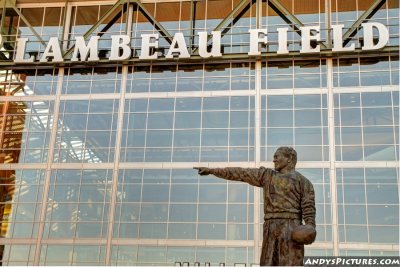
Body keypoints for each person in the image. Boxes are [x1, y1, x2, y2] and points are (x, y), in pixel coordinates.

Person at [194, 147, 316, 266]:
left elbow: (308, 208)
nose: (274, 160)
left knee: (291, 263)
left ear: (289, 159)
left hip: (291, 228)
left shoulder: (304, 182)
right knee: (268, 262)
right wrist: (212, 171)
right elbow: (240, 173)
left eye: (276, 157)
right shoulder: (267, 176)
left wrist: (310, 227)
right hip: (271, 227)